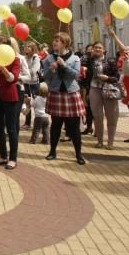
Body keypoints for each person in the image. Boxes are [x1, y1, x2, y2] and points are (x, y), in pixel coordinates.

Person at [43, 32, 87, 165]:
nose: (55, 42)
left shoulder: (75, 58)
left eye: (58, 40)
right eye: (54, 40)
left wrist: (64, 65)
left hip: (71, 94)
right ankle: (52, 151)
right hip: (56, 93)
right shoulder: (49, 59)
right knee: (56, 125)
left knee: (73, 127)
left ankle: (78, 154)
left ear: (65, 43)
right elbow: (45, 77)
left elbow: (76, 76)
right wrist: (51, 69)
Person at [0, 36, 23, 170]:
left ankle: (13, 158)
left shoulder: (15, 60)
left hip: (10, 98)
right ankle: (3, 156)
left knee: (11, 128)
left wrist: (4, 69)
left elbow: (13, 78)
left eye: (1, 46)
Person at [85, 42, 121, 149]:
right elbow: (84, 76)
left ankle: (110, 142)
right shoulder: (89, 61)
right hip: (94, 89)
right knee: (97, 116)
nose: (97, 49)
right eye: (95, 48)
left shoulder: (111, 60)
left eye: (100, 48)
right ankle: (99, 141)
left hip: (109, 89)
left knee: (111, 116)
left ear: (104, 49)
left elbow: (117, 77)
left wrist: (107, 78)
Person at [21, 42, 42, 129]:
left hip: (34, 84)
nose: (26, 48)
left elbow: (34, 70)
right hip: (26, 83)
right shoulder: (24, 58)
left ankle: (38, 123)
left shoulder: (35, 58)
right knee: (27, 102)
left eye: (28, 47)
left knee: (36, 103)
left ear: (32, 48)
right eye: (25, 46)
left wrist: (25, 72)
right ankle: (27, 123)